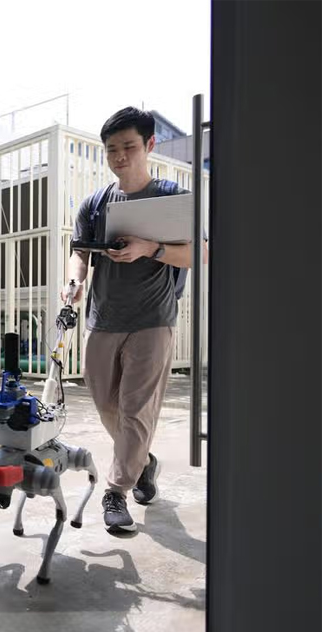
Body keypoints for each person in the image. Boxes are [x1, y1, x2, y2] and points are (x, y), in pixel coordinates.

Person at [66, 107, 208, 534]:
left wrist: (150, 248)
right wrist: (73, 282)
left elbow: (198, 252)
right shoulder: (95, 203)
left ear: (149, 145)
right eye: (112, 149)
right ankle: (143, 462)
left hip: (152, 319)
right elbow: (79, 253)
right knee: (106, 403)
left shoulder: (170, 197)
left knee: (135, 409)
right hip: (103, 319)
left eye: (128, 146)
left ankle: (116, 491)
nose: (120, 156)